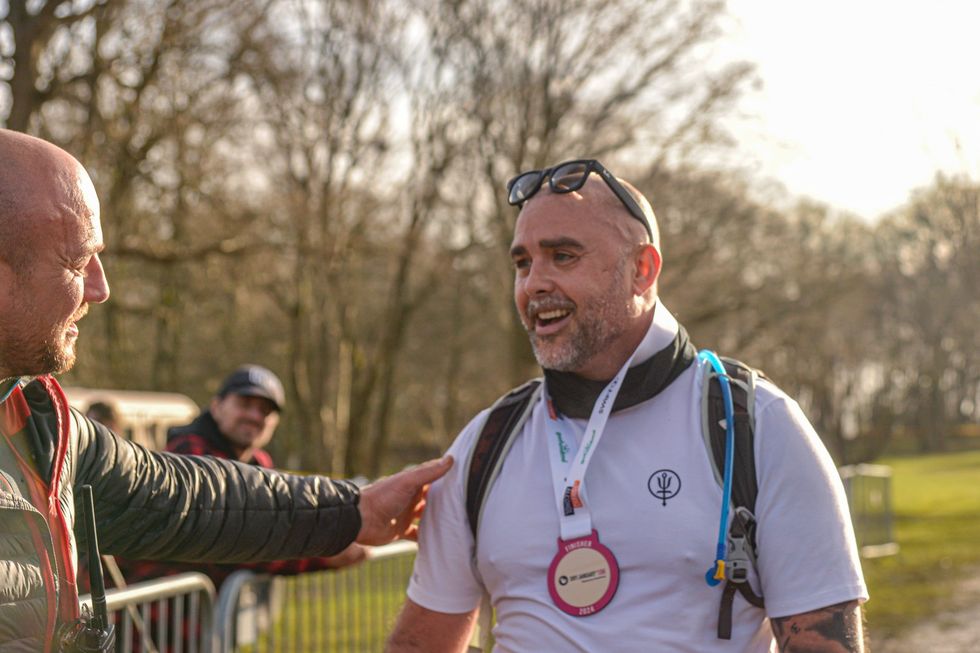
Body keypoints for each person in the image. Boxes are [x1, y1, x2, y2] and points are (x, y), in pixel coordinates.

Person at [387, 159, 868, 652]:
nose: (534, 284)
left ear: (642, 270)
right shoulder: (485, 443)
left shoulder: (757, 425)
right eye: (523, 263)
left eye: (563, 256)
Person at [0, 127, 452, 651]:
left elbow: (181, 499)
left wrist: (354, 510)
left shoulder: (38, 421)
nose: (101, 290)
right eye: (77, 263)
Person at [118, 364, 367, 591]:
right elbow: (233, 538)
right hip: (144, 618)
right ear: (216, 407)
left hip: (196, 623)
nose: (255, 416)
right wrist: (324, 553)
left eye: (265, 411)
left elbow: (281, 521)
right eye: (245, 405)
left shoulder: (260, 465)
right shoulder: (190, 456)